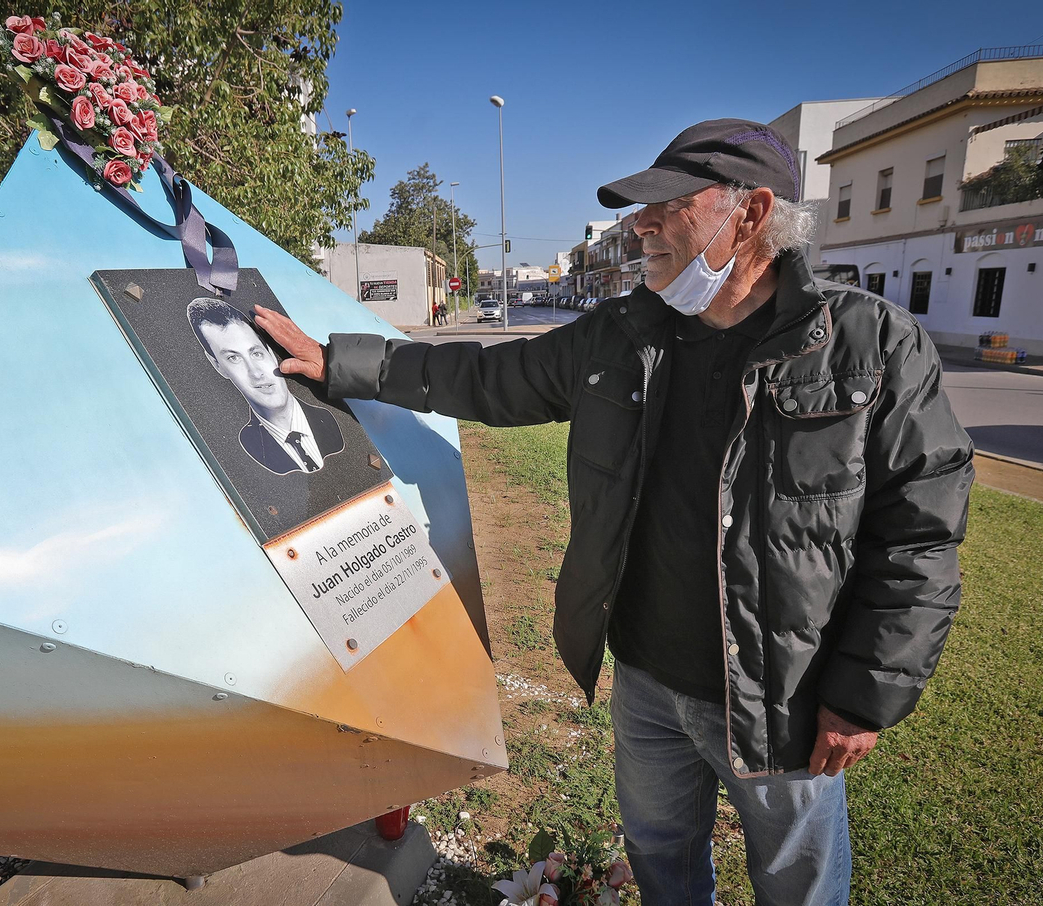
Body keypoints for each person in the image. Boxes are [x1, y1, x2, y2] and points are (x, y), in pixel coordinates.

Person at [255, 119, 974, 906]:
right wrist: (342, 363)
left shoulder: (871, 344)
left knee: (798, 884)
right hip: (647, 682)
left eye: (669, 205)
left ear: (753, 213)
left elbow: (920, 538)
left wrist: (864, 694)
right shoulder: (620, 335)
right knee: (662, 859)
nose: (642, 225)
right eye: (640, 209)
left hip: (784, 699)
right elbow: (485, 378)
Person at [186, 298, 343, 475]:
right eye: (233, 358)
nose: (256, 373)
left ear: (270, 352)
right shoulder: (245, 448)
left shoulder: (329, 418)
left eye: (256, 353)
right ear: (217, 366)